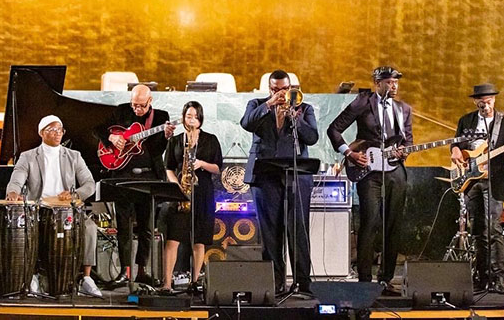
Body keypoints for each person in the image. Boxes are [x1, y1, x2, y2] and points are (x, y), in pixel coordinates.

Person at [327, 66, 412, 295]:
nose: (394, 86)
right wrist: (350, 154)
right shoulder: (363, 103)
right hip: (369, 172)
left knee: (393, 225)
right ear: (378, 83)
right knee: (370, 223)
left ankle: (385, 279)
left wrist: (404, 151)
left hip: (395, 171)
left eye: (396, 82)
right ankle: (365, 280)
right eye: (389, 82)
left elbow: (408, 140)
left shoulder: (403, 109)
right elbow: (334, 129)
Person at [5, 115, 102, 297]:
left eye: (60, 130)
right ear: (42, 133)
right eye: (52, 130)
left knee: (89, 228)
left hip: (68, 210)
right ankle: (31, 276)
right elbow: (16, 179)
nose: (58, 133)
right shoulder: (28, 156)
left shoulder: (74, 156)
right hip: (39, 210)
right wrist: (13, 192)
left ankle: (86, 278)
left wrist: (74, 194)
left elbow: (89, 183)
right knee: (25, 228)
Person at [241, 69, 318, 294]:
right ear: (269, 89)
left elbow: (312, 137)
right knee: (270, 232)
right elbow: (246, 123)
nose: (280, 93)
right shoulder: (256, 104)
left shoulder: (305, 108)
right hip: (265, 176)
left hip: (296, 176)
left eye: (284, 89)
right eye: (275, 90)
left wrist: (296, 117)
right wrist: (268, 105)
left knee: (298, 231)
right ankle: (275, 284)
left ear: (290, 87)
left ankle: (303, 284)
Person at [93, 84, 174, 286]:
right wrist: (111, 137)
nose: (137, 109)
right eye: (134, 104)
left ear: (150, 101)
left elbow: (156, 151)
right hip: (123, 177)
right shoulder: (122, 111)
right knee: (123, 227)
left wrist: (165, 137)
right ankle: (125, 271)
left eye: (141, 106)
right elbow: (97, 128)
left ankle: (142, 270)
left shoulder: (160, 117)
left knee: (147, 226)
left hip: (149, 178)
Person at [450, 83, 504, 291]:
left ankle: (499, 277)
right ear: (475, 101)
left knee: (493, 228)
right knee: (478, 229)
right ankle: (482, 275)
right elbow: (455, 143)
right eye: (481, 99)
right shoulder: (466, 121)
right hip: (471, 180)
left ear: (494, 100)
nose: (485, 102)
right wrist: (455, 149)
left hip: (494, 180)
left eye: (489, 99)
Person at [161, 101, 222, 292]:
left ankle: (195, 282)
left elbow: (218, 168)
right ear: (184, 117)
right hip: (181, 194)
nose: (192, 119)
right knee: (173, 239)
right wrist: (176, 185)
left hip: (203, 192)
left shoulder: (210, 140)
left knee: (199, 240)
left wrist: (201, 163)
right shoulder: (176, 140)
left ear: (201, 118)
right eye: (188, 116)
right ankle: (167, 283)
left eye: (195, 116)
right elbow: (168, 167)